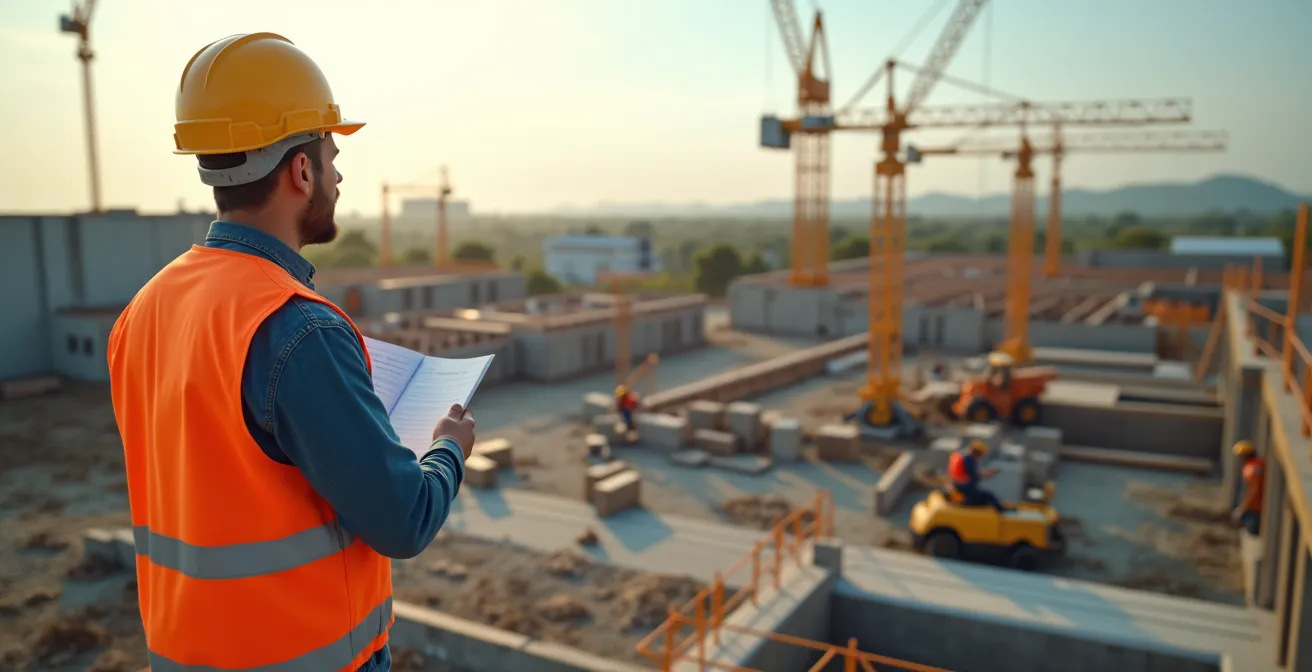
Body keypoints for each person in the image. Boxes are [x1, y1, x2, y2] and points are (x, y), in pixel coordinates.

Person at [106, 33, 473, 671]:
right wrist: (447, 450)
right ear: (300, 171)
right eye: (330, 154)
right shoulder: (298, 329)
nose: (337, 173)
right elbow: (403, 520)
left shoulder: (144, 309)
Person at [946, 439, 1008, 512]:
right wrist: (988, 473)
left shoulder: (960, 455)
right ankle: (1003, 512)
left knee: (987, 496)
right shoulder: (968, 459)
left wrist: (986, 472)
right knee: (989, 497)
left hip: (957, 486)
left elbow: (969, 473)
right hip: (966, 491)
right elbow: (974, 476)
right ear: (976, 452)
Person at [1232, 440, 1266, 536]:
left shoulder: (1250, 469)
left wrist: (1243, 507)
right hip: (1261, 504)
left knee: (1252, 528)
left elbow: (1253, 491)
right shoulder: (1260, 463)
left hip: (1256, 507)